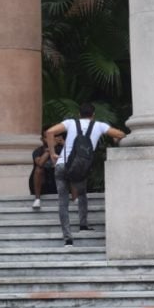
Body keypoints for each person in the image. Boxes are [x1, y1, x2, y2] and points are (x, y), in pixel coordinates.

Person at [44, 103, 126, 246]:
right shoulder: (99, 126)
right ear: (93, 115)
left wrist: (52, 154)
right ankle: (83, 225)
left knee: (63, 202)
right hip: (80, 168)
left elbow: (50, 132)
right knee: (81, 194)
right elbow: (120, 134)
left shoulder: (70, 123)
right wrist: (116, 139)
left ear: (78, 114)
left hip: (62, 164)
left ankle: (68, 239)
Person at [30, 131, 65, 209]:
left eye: (52, 137)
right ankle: (37, 199)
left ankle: (75, 197)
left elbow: (73, 157)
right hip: (43, 185)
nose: (50, 139)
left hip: (58, 182)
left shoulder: (61, 149)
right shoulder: (38, 151)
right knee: (39, 169)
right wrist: (50, 149)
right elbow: (40, 163)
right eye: (47, 137)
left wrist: (64, 143)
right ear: (42, 139)